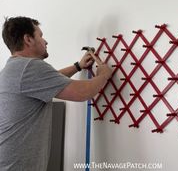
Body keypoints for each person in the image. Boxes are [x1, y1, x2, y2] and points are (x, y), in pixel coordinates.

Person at [0, 16, 112, 171]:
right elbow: (82, 93)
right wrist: (103, 75)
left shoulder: (14, 69)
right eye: (40, 35)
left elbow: (49, 82)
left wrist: (77, 66)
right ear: (28, 39)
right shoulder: (30, 67)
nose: (45, 41)